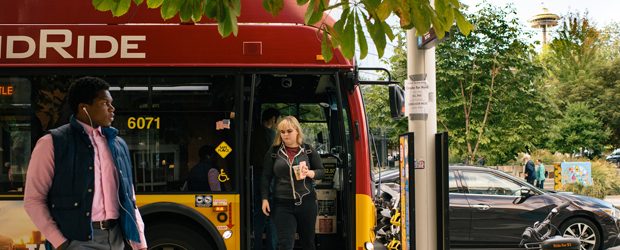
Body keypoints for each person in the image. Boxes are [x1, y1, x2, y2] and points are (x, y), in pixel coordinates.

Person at [23, 77, 147, 250]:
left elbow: (129, 198)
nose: (112, 109)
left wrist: (140, 243)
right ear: (84, 108)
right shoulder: (52, 142)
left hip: (116, 239)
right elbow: (33, 199)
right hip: (77, 241)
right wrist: (60, 242)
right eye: (105, 103)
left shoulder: (118, 145)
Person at [261, 116, 325, 250]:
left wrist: (309, 173)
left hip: (306, 202)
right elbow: (266, 177)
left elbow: (321, 171)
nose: (285, 135)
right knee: (285, 244)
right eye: (282, 132)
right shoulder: (273, 152)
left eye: (289, 131)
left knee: (308, 243)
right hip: (282, 203)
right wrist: (264, 198)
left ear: (297, 131)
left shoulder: (308, 150)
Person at [250, 108, 280, 250]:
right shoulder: (271, 134)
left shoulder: (254, 133)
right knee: (273, 215)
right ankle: (271, 247)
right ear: (273, 118)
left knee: (259, 215)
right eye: (278, 121)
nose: (277, 124)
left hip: (255, 177)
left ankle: (256, 246)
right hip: (268, 178)